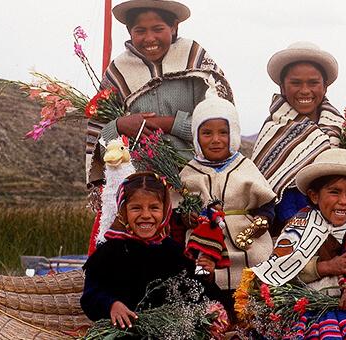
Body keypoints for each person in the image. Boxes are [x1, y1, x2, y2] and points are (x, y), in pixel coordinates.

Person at [85, 0, 233, 255]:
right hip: (140, 189)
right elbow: (99, 136)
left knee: (191, 258)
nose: (149, 38)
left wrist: (169, 123)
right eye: (140, 31)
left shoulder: (197, 61)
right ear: (130, 32)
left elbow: (219, 126)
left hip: (195, 181)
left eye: (158, 28)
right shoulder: (118, 72)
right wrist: (120, 124)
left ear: (174, 27)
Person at [251, 148, 346, 339]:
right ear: (314, 196)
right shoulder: (300, 225)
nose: (343, 202)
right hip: (310, 308)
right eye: (334, 192)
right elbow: (280, 269)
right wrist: (325, 267)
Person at [178, 91, 277, 320]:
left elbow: (267, 203)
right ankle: (209, 319)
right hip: (204, 243)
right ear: (196, 136)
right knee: (202, 283)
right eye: (207, 133)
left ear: (233, 134)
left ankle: (251, 320)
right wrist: (187, 217)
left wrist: (262, 222)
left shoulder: (245, 166)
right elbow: (178, 208)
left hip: (247, 240)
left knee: (251, 287)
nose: (216, 139)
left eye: (223, 132)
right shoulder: (190, 171)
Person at [80, 172, 219, 328]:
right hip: (124, 333)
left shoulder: (174, 251)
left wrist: (207, 274)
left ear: (165, 210)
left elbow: (196, 289)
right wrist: (111, 305)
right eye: (136, 208)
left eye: (154, 208)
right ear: (123, 211)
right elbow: (90, 296)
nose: (146, 215)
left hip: (169, 332)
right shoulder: (109, 252)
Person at [251, 41, 345, 234]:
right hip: (289, 226)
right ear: (282, 87)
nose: (304, 90)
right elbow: (269, 188)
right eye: (295, 83)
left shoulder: (340, 127)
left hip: (339, 218)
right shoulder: (273, 131)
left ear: (325, 86)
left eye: (313, 83)